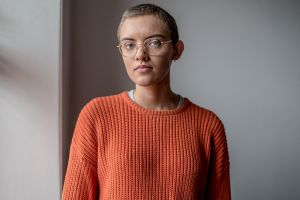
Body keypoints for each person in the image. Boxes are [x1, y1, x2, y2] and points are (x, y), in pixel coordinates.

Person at [62, 3, 231, 200]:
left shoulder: (208, 125)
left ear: (177, 50)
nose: (140, 55)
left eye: (154, 42)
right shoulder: (96, 115)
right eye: (129, 44)